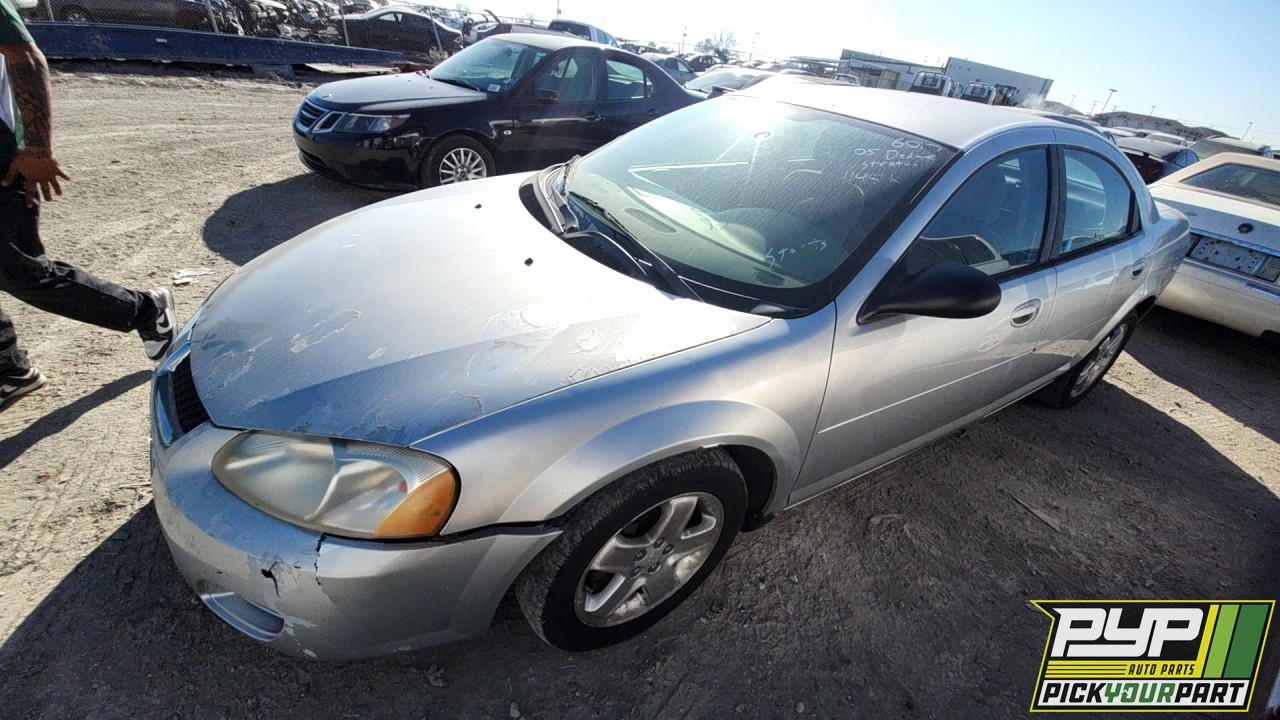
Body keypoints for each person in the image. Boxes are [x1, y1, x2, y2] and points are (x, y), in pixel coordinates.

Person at [0, 0, 175, 409]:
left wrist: (38, 149)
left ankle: (145, 310)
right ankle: (9, 369)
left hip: (1, 162)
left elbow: (24, 55)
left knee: (20, 270)